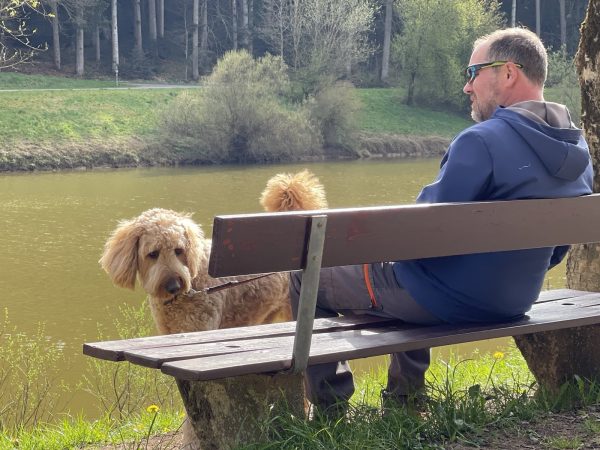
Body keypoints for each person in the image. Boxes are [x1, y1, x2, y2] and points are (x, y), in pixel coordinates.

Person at [289, 27, 594, 416]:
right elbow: (557, 251)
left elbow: (417, 236)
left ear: (508, 73)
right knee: (413, 269)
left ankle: (331, 407)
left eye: (473, 73)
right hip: (517, 300)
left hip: (446, 300)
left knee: (306, 277)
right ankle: (404, 399)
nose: (467, 87)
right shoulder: (576, 149)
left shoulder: (480, 141)